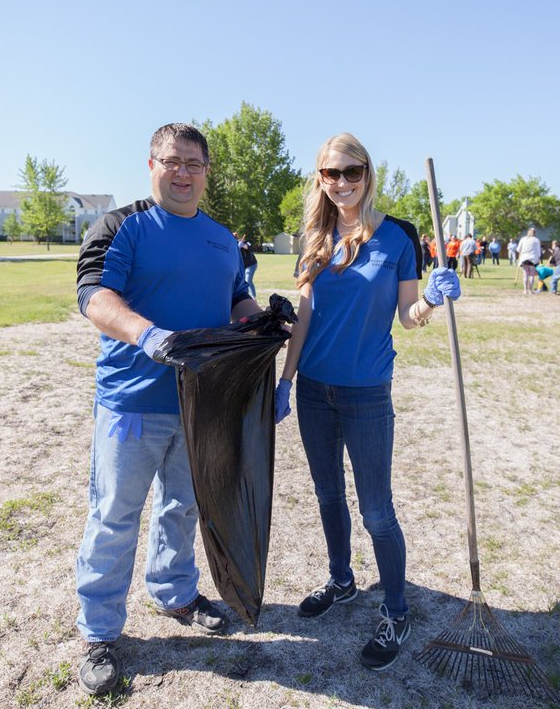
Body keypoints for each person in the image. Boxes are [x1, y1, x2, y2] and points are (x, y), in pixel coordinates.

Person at [73, 123, 263, 697]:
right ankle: (100, 631)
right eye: (172, 161)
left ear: (206, 172)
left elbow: (235, 298)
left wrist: (260, 317)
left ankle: (175, 592)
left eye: (193, 164)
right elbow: (94, 297)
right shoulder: (122, 226)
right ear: (150, 165)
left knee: (183, 506)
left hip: (201, 404)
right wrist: (147, 333)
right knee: (113, 516)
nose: (183, 172)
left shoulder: (222, 239)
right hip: (132, 402)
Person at [272, 132, 460, 672]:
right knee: (328, 494)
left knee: (377, 510)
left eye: (352, 172)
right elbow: (304, 316)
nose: (343, 182)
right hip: (314, 390)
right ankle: (342, 580)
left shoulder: (398, 236)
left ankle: (396, 610)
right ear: (320, 179)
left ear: (367, 174)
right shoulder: (316, 235)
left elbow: (407, 316)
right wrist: (286, 381)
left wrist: (431, 297)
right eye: (332, 174)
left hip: (366, 394)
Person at [517, 227, 542, 296]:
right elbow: (538, 251)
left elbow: (518, 249)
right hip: (532, 259)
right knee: (531, 275)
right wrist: (539, 257)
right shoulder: (536, 240)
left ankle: (525, 290)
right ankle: (530, 290)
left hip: (524, 258)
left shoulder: (523, 239)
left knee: (525, 275)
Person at [237, 232, 258, 298]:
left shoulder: (245, 242)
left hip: (251, 265)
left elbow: (249, 248)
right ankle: (246, 296)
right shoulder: (234, 245)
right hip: (243, 266)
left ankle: (254, 298)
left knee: (248, 280)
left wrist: (242, 245)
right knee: (242, 282)